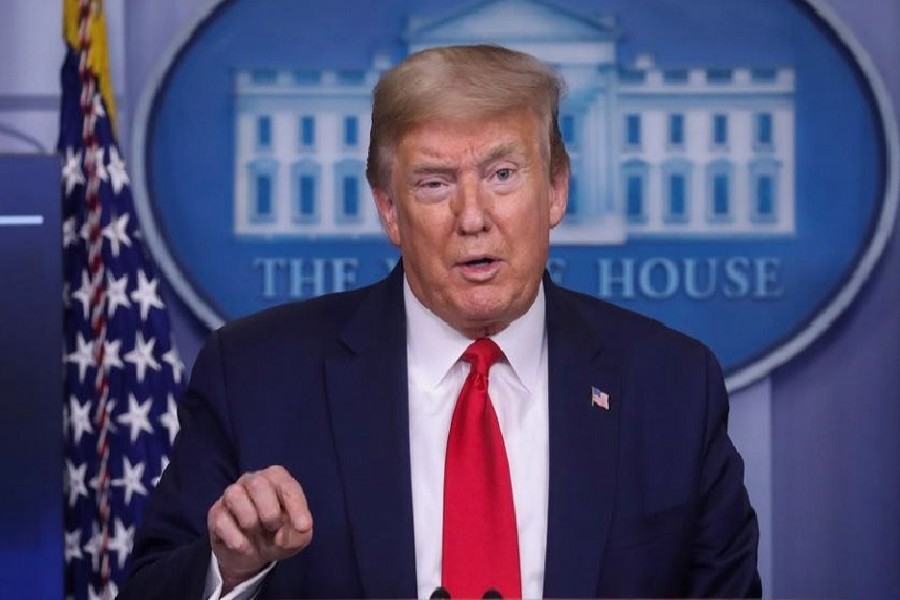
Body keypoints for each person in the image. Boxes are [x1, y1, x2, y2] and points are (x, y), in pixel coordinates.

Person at [120, 44, 761, 599]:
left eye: (503, 175)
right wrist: (231, 571)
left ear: (558, 189)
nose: (473, 216)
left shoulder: (673, 385)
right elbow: (150, 589)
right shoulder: (256, 375)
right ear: (390, 212)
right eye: (434, 183)